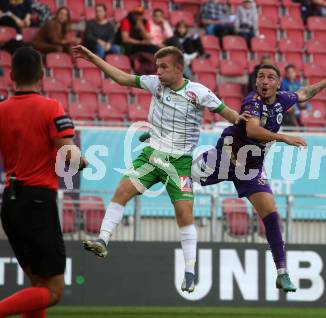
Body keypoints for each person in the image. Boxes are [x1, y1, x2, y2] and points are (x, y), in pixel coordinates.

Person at [71, 45, 250, 293]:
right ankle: (103, 239)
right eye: (157, 67)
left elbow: (226, 112)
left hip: (180, 162)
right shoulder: (155, 84)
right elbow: (122, 77)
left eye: (164, 67)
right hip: (152, 155)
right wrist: (93, 58)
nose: (159, 72)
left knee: (184, 214)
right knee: (122, 190)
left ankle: (189, 271)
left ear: (179, 68)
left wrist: (241, 122)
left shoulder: (198, 92)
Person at [192, 63, 326, 292]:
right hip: (223, 160)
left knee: (271, 215)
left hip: (251, 169)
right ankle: (158, 145)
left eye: (270, 77)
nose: (264, 81)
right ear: (256, 82)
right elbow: (252, 131)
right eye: (261, 77)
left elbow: (303, 93)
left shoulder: (283, 99)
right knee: (180, 175)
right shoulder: (252, 102)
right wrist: (283, 137)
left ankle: (282, 273)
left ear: (278, 84)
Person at [0, 47, 86, 317]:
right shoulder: (51, 108)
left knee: (37, 284)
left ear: (11, 75)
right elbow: (69, 156)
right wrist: (83, 162)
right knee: (54, 290)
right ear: (42, 74)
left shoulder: (1, 109)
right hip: (38, 201)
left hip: (10, 203)